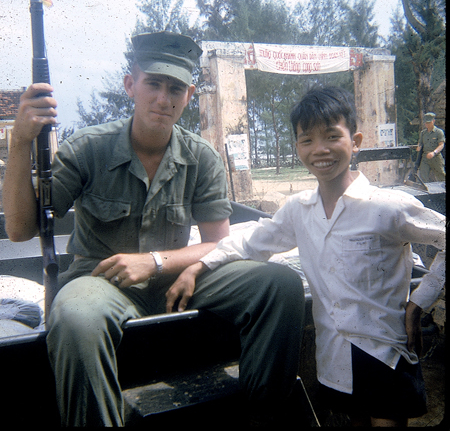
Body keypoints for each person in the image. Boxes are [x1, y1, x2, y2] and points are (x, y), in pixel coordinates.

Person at [2, 31, 305, 427]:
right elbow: (22, 230)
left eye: (176, 88)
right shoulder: (87, 149)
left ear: (189, 95)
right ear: (131, 85)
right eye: (154, 84)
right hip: (99, 281)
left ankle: (263, 416)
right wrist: (21, 141)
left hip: (175, 282)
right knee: (74, 316)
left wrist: (155, 262)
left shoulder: (202, 158)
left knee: (279, 284)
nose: (164, 99)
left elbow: (218, 243)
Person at [177, 87, 446, 427]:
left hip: (384, 353)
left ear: (356, 140)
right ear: (298, 147)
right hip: (332, 359)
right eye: (307, 140)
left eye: (332, 136)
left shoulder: (387, 207)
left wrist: (419, 301)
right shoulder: (298, 211)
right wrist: (200, 265)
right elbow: (248, 244)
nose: (320, 150)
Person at [416, 112, 445, 181]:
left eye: (429, 122)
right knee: (423, 176)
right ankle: (426, 190)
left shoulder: (439, 132)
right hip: (425, 157)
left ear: (433, 121)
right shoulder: (423, 133)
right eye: (426, 123)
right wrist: (418, 147)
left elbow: (441, 145)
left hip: (436, 157)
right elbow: (420, 143)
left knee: (441, 176)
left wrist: (434, 152)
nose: (427, 124)